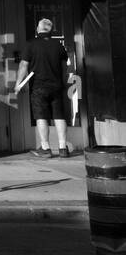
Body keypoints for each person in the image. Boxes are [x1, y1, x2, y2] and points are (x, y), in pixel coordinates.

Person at [16, 18, 81, 158]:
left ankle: (45, 148)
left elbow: (23, 65)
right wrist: (63, 82)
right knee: (59, 116)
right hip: (56, 86)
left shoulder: (31, 44)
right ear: (50, 30)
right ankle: (63, 148)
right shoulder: (58, 45)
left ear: (38, 29)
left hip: (38, 86)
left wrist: (18, 83)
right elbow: (65, 66)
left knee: (41, 117)